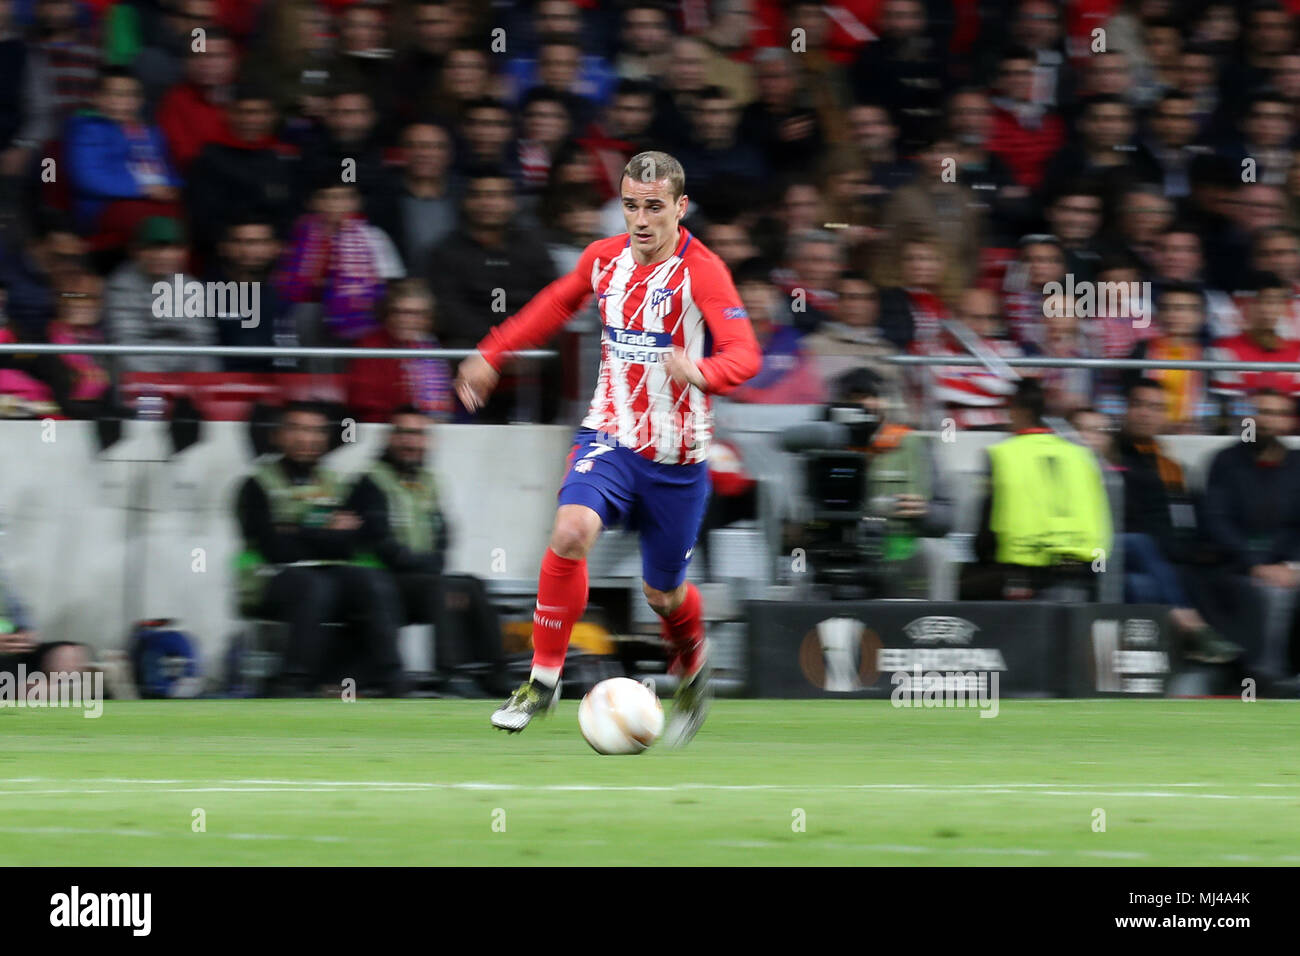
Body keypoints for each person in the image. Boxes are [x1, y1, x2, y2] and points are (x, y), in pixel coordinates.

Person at [454, 150, 760, 743]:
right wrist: (492, 352)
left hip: (678, 461)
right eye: (630, 206)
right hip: (611, 437)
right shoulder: (604, 261)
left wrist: (702, 371)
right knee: (570, 531)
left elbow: (746, 353)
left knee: (663, 593)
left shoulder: (704, 272)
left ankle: (693, 664)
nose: (640, 220)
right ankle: (542, 682)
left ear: (680, 207)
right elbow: (553, 304)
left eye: (653, 207)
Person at [234, 401, 404, 696]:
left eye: (315, 431)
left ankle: (390, 681)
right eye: (296, 429)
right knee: (315, 587)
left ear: (325, 438)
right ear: (278, 435)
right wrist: (324, 530)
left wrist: (295, 529)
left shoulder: (336, 483)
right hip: (269, 580)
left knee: (374, 582)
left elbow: (351, 543)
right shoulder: (256, 485)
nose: (306, 439)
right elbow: (273, 548)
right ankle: (295, 682)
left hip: (329, 574)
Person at [347, 405, 505, 693]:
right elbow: (381, 544)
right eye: (404, 433)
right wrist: (430, 571)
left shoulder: (429, 482)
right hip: (382, 583)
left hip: (422, 579)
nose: (411, 442)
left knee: (473, 586)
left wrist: (434, 570)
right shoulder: (369, 481)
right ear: (391, 438)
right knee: (443, 588)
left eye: (419, 434)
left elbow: (443, 536)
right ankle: (451, 675)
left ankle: (496, 675)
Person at [1113, 378, 1241, 663]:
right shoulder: (1111, 457)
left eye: (1155, 407)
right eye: (1139, 405)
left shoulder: (1169, 465)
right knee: (1140, 551)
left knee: (1144, 585)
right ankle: (1193, 628)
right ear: (1126, 409)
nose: (1146, 414)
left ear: (1165, 416)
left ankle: (1227, 668)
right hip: (1117, 555)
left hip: (1170, 562)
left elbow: (1192, 514)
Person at [961, 378, 1112, 601]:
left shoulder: (1002, 455)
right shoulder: (1082, 456)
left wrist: (982, 558)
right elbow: (1102, 521)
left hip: (1020, 573)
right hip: (1082, 571)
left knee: (964, 584)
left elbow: (986, 533)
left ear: (1016, 412)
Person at [1202, 389, 1300, 695]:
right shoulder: (1226, 461)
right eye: (1261, 412)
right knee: (1273, 595)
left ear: (1289, 422)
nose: (1266, 421)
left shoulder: (1297, 464)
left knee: (1283, 588)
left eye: (1276, 413)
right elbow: (1216, 522)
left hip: (1286, 564)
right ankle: (1267, 677)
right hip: (1234, 565)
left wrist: (1291, 565)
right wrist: (1256, 564)